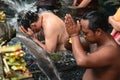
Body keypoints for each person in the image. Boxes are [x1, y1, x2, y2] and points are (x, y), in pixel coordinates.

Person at [64, 11, 120, 80]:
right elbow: (68, 46)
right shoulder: (94, 42)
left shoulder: (111, 50)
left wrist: (74, 35)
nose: (84, 36)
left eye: (85, 33)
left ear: (98, 32)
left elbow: (82, 61)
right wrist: (71, 33)